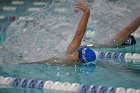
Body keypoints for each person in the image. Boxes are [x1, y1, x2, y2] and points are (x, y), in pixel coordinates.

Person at [24, 1, 140, 65]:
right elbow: (128, 30)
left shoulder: (71, 54)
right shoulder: (73, 62)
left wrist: (86, 13)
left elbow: (79, 35)